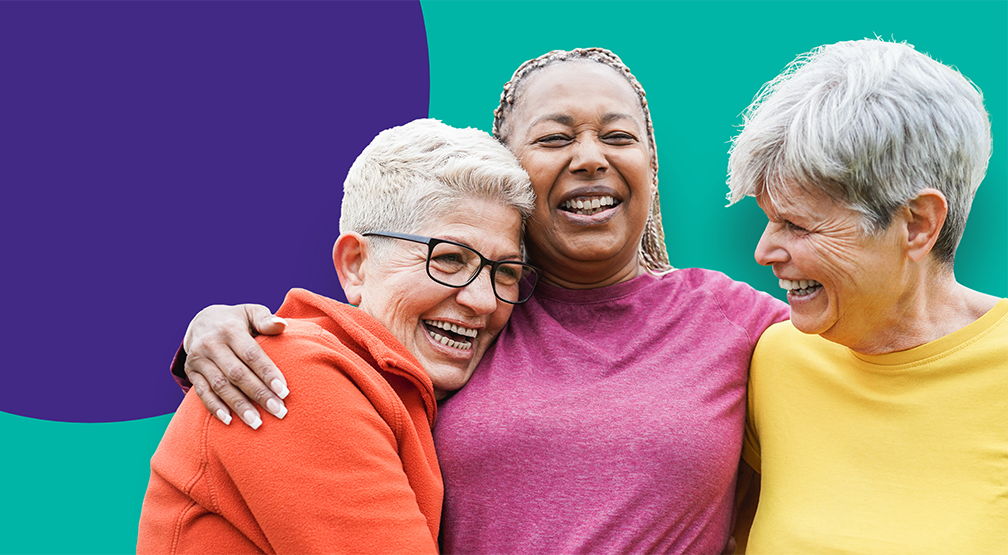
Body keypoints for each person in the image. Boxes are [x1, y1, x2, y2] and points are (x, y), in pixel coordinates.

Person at [173, 48, 788, 554]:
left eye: (619, 135)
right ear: (514, 176)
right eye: (554, 138)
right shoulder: (475, 320)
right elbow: (345, 356)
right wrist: (220, 328)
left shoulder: (736, 322)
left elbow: (865, 361)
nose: (591, 156)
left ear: (652, 165)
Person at [137, 118, 537, 554]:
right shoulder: (290, 373)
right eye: (449, 258)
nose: (483, 300)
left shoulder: (398, 385)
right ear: (355, 265)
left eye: (506, 272)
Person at [726, 39, 1006, 553]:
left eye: (798, 224)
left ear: (917, 225)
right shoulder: (775, 359)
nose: (764, 251)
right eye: (769, 218)